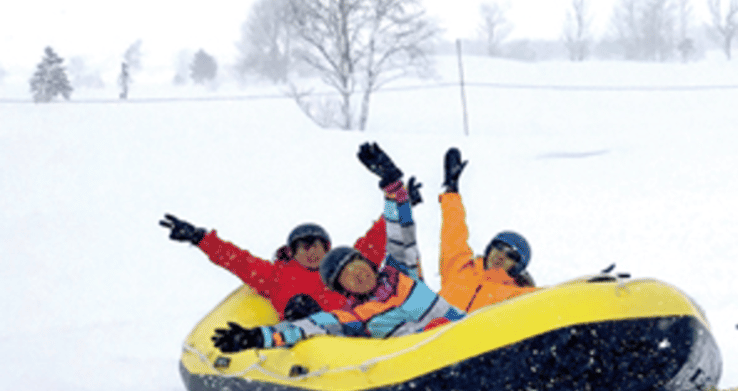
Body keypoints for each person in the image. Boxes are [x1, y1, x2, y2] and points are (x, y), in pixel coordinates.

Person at [211, 143, 465, 353]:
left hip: (464, 336)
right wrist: (256, 337)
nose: (357, 274)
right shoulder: (354, 316)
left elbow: (399, 232)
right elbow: (307, 327)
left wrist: (392, 184)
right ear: (344, 290)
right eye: (347, 276)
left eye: (356, 265)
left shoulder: (400, 272)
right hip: (429, 359)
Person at [159, 211, 386, 321]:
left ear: (327, 248)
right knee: (301, 305)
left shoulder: (345, 266)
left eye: (317, 246)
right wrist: (200, 238)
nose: (312, 252)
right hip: (309, 343)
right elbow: (237, 260)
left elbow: (377, 239)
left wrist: (397, 199)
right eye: (304, 247)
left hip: (355, 329)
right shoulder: (276, 276)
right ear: (293, 252)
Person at [435, 147, 538, 312]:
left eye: (511, 256)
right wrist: (451, 193)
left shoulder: (519, 297)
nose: (501, 256)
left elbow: (559, 297)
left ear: (518, 268)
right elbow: (453, 232)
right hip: (427, 328)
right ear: (489, 249)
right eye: (499, 247)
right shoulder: (459, 269)